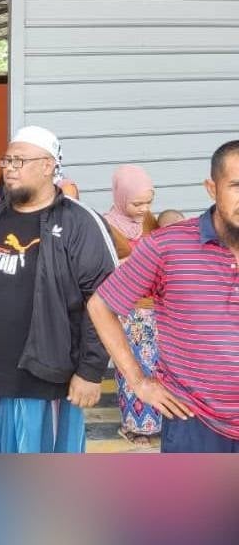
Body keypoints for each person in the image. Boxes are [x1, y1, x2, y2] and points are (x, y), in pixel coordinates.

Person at [0, 126, 118, 453]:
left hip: (45, 379)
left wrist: (91, 371)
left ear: (48, 166)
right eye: (7, 160)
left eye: (19, 161)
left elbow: (105, 302)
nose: (10, 168)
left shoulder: (80, 223)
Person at [88, 140, 239, 453]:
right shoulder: (167, 246)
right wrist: (138, 381)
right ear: (212, 188)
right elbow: (101, 305)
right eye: (237, 185)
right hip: (195, 424)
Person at [102, 164, 161, 446]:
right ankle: (135, 426)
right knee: (133, 366)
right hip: (127, 309)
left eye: (148, 202)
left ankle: (158, 421)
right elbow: (102, 268)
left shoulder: (149, 221)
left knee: (158, 365)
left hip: (157, 307)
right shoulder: (105, 225)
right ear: (121, 196)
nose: (143, 208)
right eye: (137, 203)